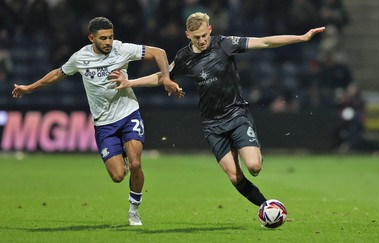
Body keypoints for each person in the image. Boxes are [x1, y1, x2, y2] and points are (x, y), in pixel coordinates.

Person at [109, 12, 324, 209]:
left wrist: (301, 38)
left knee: (254, 167)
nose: (201, 41)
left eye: (204, 35)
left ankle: (254, 153)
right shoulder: (184, 57)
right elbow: (161, 77)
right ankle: (266, 206)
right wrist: (130, 83)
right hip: (212, 125)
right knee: (234, 176)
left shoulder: (225, 44)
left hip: (236, 115)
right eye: (196, 38)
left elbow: (264, 42)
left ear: (210, 29)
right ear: (188, 35)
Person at [12, 16, 182, 226]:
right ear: (91, 38)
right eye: (103, 38)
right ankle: (122, 155)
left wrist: (166, 78)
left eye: (111, 37)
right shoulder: (80, 58)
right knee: (118, 176)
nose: (108, 42)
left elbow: (159, 53)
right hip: (104, 124)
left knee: (136, 163)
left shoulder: (122, 49)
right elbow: (58, 74)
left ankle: (133, 210)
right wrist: (29, 87)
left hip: (129, 113)